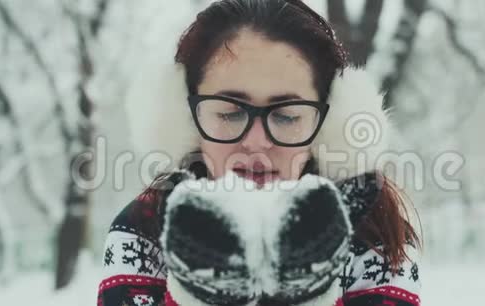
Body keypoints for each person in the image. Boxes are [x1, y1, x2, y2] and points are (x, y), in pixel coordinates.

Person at [97, 0, 421, 305]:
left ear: (329, 124)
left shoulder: (378, 240)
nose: (256, 141)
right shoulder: (143, 231)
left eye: (287, 116)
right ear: (184, 118)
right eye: (228, 113)